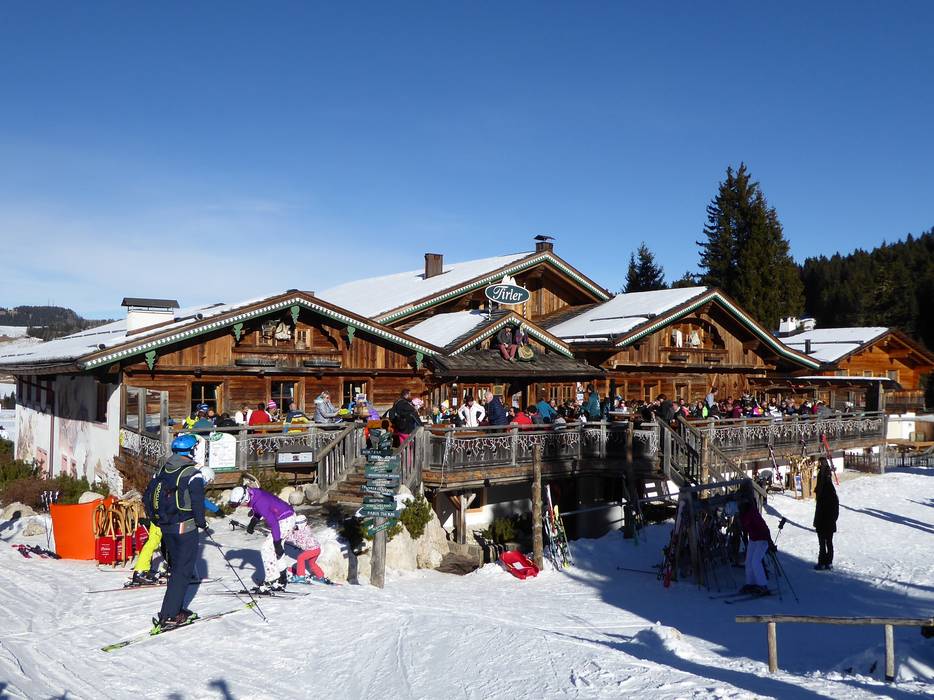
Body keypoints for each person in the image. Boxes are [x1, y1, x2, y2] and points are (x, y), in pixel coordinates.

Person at [144, 434, 212, 631]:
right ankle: (170, 615)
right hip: (185, 528)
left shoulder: (163, 470)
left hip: (166, 527)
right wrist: (202, 523)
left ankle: (172, 609)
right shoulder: (192, 473)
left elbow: (149, 495)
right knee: (182, 572)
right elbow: (197, 501)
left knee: (176, 570)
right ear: (191, 451)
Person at [129, 465, 219, 587]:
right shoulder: (189, 482)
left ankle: (166, 568)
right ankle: (141, 571)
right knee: (164, 542)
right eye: (208, 482)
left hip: (160, 515)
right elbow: (197, 500)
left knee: (165, 542)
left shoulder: (170, 478)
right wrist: (209, 514)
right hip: (166, 517)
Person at [228, 484, 295, 592]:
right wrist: (253, 522)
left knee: (267, 548)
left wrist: (277, 542)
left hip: (284, 520)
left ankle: (272, 580)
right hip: (287, 516)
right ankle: (282, 579)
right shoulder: (254, 494)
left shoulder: (259, 502)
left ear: (245, 498)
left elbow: (273, 523)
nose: (241, 506)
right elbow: (260, 507)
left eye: (240, 503)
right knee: (276, 551)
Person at [737, 498, 775, 596]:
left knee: (755, 562)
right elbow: (745, 527)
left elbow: (764, 527)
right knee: (748, 561)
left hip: (762, 539)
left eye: (741, 504)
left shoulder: (753, 513)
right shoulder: (742, 514)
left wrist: (769, 541)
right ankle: (750, 583)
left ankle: (763, 585)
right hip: (753, 539)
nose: (739, 507)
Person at [813, 458, 839, 571]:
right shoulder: (832, 493)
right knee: (829, 542)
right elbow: (836, 509)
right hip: (829, 522)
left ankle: (822, 562)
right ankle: (829, 562)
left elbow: (820, 509)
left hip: (822, 521)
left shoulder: (822, 492)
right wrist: (833, 520)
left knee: (823, 543)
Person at [286, 514, 327, 582]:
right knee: (312, 563)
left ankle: (300, 576)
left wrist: (285, 536)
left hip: (312, 550)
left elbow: (293, 538)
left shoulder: (301, 532)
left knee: (300, 558)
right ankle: (321, 576)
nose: (295, 526)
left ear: (300, 524)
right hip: (317, 549)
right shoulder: (306, 528)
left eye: (296, 525)